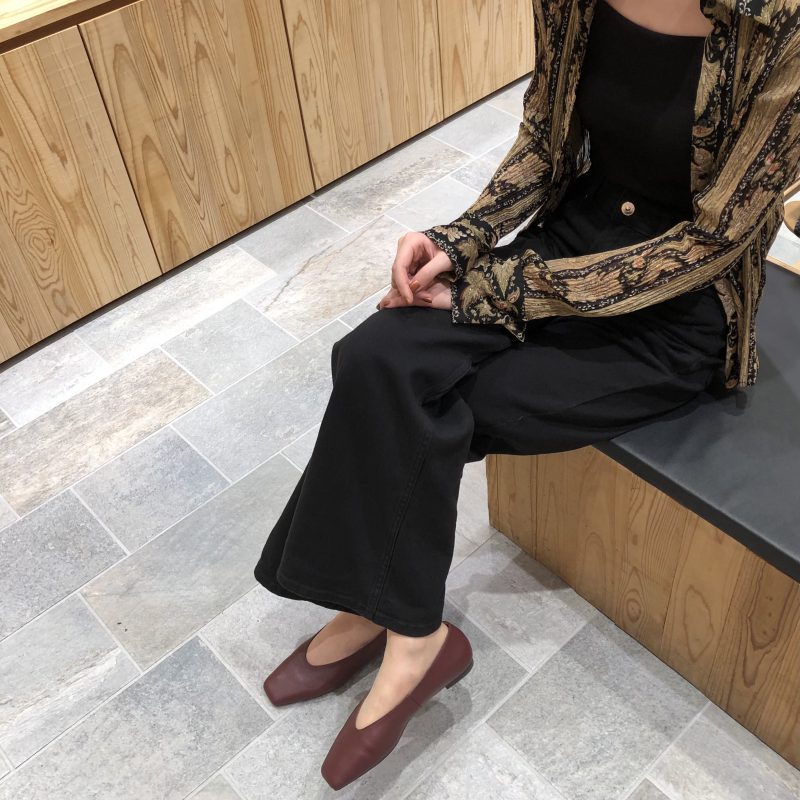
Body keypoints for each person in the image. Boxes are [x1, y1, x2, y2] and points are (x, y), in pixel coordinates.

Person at [253, 0, 800, 790]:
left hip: (678, 309)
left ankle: (402, 632)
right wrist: (458, 239)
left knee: (432, 403)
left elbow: (716, 240)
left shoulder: (780, 25)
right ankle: (391, 616)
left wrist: (498, 288)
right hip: (571, 243)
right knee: (374, 357)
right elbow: (546, 141)